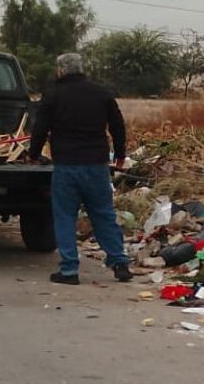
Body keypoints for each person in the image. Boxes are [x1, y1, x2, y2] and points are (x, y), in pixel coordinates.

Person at [29, 53, 132, 285]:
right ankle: (119, 262)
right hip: (96, 165)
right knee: (103, 214)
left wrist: (33, 155)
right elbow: (117, 125)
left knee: (65, 216)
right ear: (81, 69)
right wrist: (120, 154)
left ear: (60, 70)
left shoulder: (53, 95)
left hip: (66, 166)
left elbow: (40, 128)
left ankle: (69, 270)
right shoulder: (101, 93)